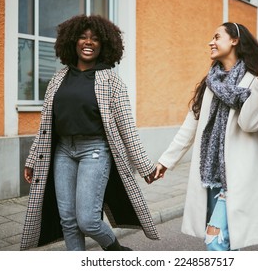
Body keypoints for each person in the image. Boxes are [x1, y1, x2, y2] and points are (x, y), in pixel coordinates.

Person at [20, 14, 160, 251]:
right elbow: (45, 126)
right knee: (68, 219)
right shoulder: (57, 79)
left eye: (95, 39)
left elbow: (127, 127)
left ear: (104, 44)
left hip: (94, 151)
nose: (88, 42)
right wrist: (33, 159)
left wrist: (145, 166)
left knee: (88, 220)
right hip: (63, 151)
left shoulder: (111, 81)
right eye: (83, 37)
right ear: (72, 42)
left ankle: (116, 250)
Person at [153, 22, 258, 251]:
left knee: (215, 242)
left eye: (217, 36)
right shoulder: (211, 82)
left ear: (234, 40)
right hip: (210, 176)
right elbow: (190, 127)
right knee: (229, 244)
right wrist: (166, 161)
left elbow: (249, 124)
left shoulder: (253, 79)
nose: (211, 42)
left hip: (238, 177)